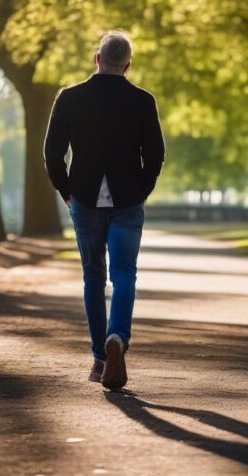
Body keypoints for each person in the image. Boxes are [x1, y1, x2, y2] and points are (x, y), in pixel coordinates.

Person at [43, 31, 165, 390]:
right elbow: (155, 155)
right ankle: (118, 337)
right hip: (127, 199)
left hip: (85, 197)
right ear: (127, 64)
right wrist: (141, 190)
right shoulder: (143, 101)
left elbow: (52, 153)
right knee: (125, 274)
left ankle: (99, 357)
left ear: (98, 58)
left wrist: (66, 191)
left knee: (93, 278)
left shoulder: (69, 97)